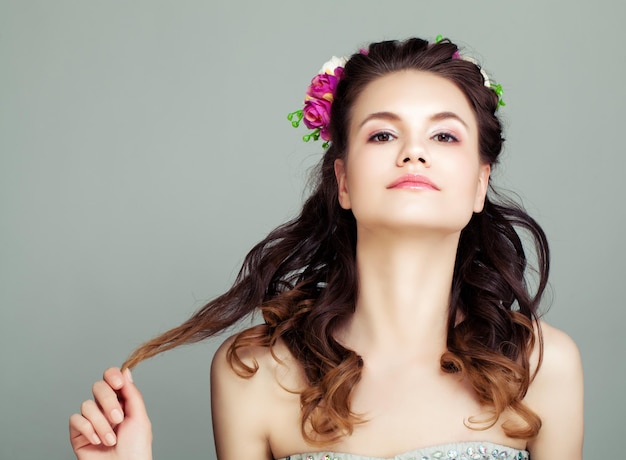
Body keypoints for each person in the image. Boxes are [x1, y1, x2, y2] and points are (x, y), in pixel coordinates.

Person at [69, 36, 584, 460]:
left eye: (445, 137)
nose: (414, 153)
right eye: (382, 135)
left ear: (479, 184)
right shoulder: (254, 372)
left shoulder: (543, 366)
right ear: (342, 180)